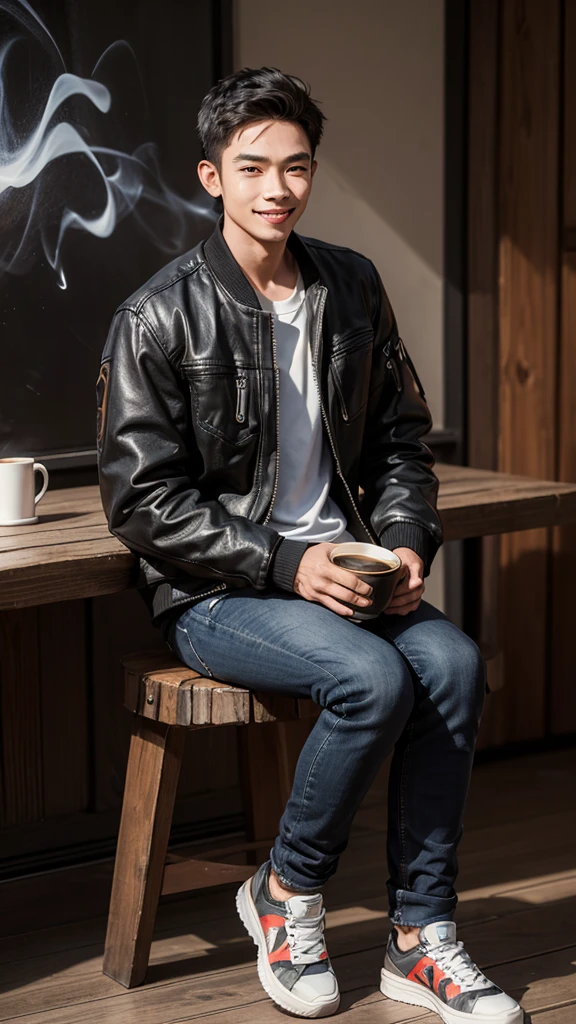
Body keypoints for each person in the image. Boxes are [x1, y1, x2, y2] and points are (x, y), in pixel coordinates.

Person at [96, 67, 522, 1024]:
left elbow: (402, 442)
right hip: (220, 591)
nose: (276, 189)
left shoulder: (352, 286)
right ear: (211, 178)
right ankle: (285, 896)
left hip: (349, 571)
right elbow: (143, 503)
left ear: (313, 172)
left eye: (295, 167)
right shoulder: (157, 314)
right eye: (253, 168)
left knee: (451, 663)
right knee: (370, 682)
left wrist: (407, 543)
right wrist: (287, 563)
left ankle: (420, 941)